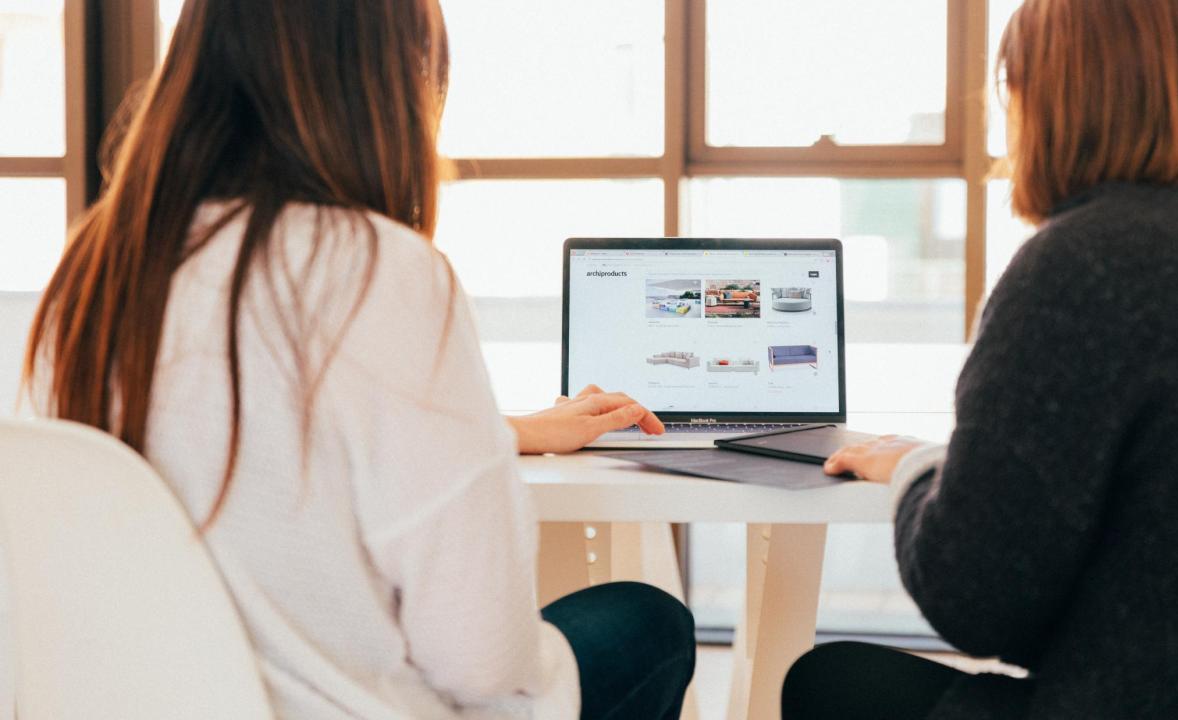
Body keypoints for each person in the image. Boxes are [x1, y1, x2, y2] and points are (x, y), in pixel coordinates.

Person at [22, 1, 694, 718]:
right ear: (384, 82)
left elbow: (253, 444)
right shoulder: (380, 270)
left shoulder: (93, 272)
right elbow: (482, 660)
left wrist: (505, 431)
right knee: (647, 621)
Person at [784, 0, 1178, 718]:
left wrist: (920, 470)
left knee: (829, 683)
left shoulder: (1080, 265)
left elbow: (976, 603)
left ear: (1049, 99)